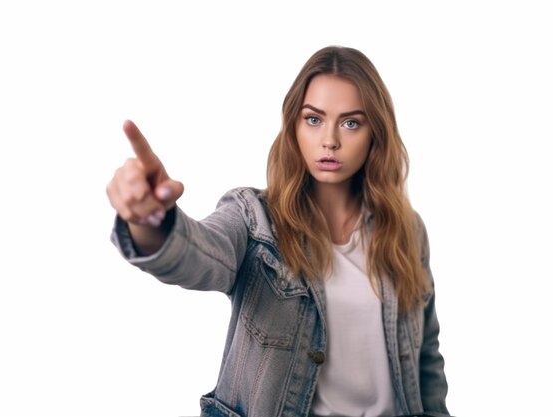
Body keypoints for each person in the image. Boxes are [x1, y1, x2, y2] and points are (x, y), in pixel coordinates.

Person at [107, 46, 450, 417]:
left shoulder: (407, 231)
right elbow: (200, 256)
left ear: (375, 134)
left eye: (351, 122)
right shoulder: (254, 220)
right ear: (294, 126)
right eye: (314, 119)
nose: (330, 140)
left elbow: (425, 357)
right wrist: (151, 221)